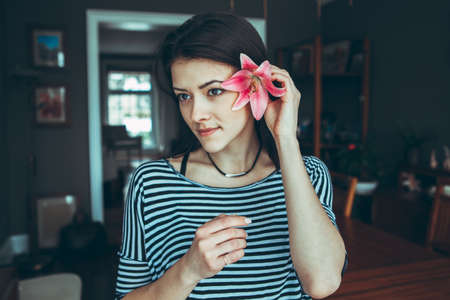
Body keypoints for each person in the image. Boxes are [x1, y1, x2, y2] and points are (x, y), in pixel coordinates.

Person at [114, 11, 348, 300]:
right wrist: (188, 270)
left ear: (256, 85)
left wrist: (285, 139)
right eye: (184, 96)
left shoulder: (309, 174)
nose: (196, 114)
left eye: (213, 91)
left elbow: (322, 282)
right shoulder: (150, 184)